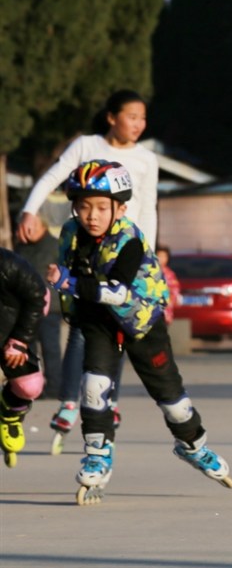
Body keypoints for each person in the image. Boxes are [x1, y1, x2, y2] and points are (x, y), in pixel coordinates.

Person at [46, 159, 232, 505]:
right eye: (83, 206)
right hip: (99, 322)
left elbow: (118, 291)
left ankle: (193, 446)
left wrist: (68, 283)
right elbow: (64, 276)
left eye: (102, 207)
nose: (92, 215)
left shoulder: (129, 240)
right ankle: (98, 454)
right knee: (93, 387)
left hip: (142, 323)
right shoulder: (71, 235)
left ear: (121, 207)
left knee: (172, 401)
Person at [16, 90, 158, 450]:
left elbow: (149, 209)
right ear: (112, 117)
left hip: (126, 251)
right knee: (81, 322)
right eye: (132, 117)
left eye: (143, 118)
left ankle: (108, 400)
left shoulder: (146, 159)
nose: (138, 124)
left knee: (120, 326)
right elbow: (51, 177)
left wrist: (148, 257)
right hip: (86, 247)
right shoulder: (86, 145)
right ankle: (68, 400)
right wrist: (29, 211)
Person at [0, 248, 50, 468]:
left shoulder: (8, 264)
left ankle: (10, 411)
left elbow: (37, 296)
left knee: (30, 387)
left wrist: (20, 341)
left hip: (11, 333)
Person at [14, 212, 62, 399]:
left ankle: (55, 386)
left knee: (51, 348)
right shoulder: (21, 247)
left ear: (43, 225)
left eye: (33, 225)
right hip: (25, 307)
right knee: (29, 348)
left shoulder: (54, 245)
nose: (29, 229)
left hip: (50, 307)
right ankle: (31, 386)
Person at [156, 246, 182, 325]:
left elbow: (175, 290)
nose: (161, 258)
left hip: (165, 312)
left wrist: (169, 302)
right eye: (159, 256)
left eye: (164, 256)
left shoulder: (169, 274)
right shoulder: (150, 271)